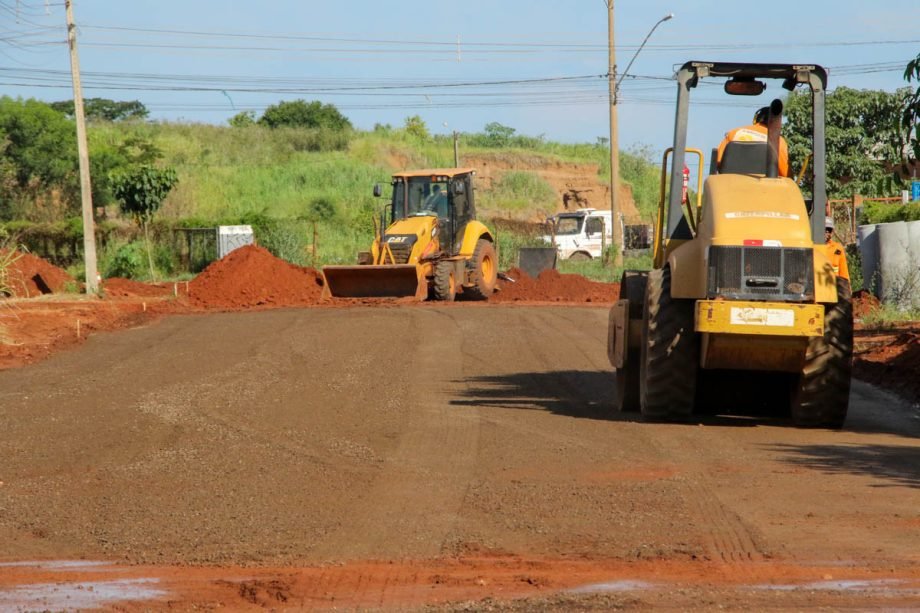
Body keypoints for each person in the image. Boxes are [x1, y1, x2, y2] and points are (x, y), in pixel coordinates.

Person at [717, 106, 789, 177]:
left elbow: (718, 161)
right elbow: (785, 173)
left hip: (731, 183)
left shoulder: (734, 133)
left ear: (755, 120)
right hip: (765, 187)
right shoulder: (779, 141)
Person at [824, 216, 849, 280]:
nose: (827, 232)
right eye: (825, 229)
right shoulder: (814, 247)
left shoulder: (838, 248)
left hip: (835, 286)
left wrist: (847, 288)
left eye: (829, 230)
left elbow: (844, 273)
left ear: (832, 232)